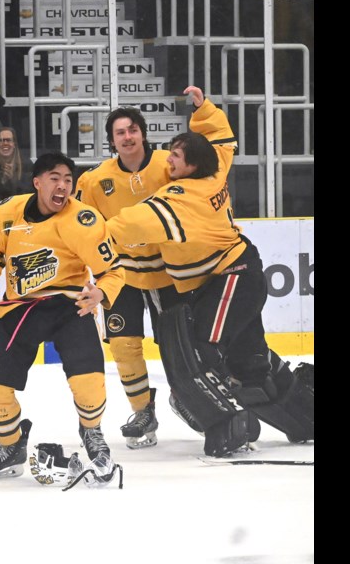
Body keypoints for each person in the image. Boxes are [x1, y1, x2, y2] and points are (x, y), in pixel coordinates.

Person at [106, 86, 314, 457]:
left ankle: (230, 421)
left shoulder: (183, 198)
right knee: (249, 358)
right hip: (238, 273)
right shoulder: (214, 168)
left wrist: (85, 232)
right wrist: (203, 112)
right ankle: (305, 416)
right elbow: (221, 139)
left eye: (176, 157)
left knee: (199, 346)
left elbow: (130, 224)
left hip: (231, 275)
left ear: (190, 167)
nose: (168, 161)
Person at [0, 152, 125, 480]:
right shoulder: (4, 213)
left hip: (70, 304)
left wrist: (101, 292)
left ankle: (92, 431)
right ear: (37, 182)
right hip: (20, 307)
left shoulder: (84, 220)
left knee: (89, 381)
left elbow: (112, 270)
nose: (63, 186)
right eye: (55, 178)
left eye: (68, 180)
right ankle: (11, 445)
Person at [74, 106, 181, 449]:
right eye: (120, 133)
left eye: (133, 130)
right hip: (121, 274)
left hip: (169, 272)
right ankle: (142, 411)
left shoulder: (168, 165)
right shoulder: (93, 180)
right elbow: (78, 223)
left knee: (178, 343)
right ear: (111, 141)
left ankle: (188, 396)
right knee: (123, 345)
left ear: (143, 133)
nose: (128, 137)